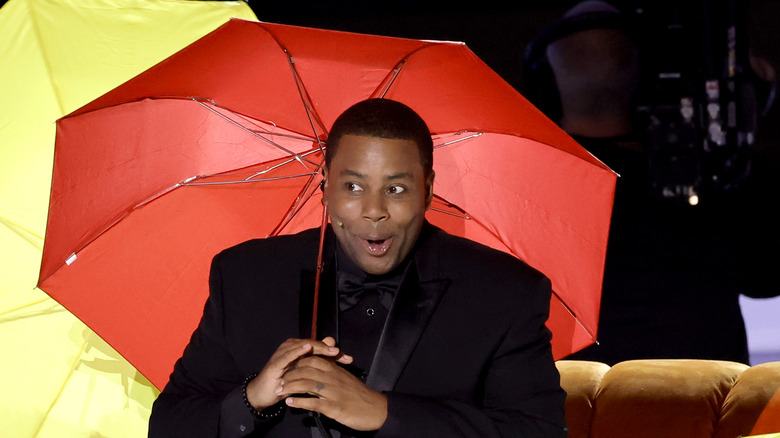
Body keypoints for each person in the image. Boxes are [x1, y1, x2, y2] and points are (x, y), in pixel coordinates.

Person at [148, 98, 567, 437]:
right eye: (353, 187)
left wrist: (385, 413)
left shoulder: (505, 291)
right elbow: (168, 424)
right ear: (325, 185)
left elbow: (538, 431)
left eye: (396, 189)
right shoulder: (245, 275)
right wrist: (252, 397)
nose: (374, 211)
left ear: (428, 190)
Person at [523, 0, 780, 365]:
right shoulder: (716, 183)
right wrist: (744, 127)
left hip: (575, 411)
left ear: (545, 86)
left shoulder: (519, 192)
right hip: (710, 412)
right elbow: (766, 278)